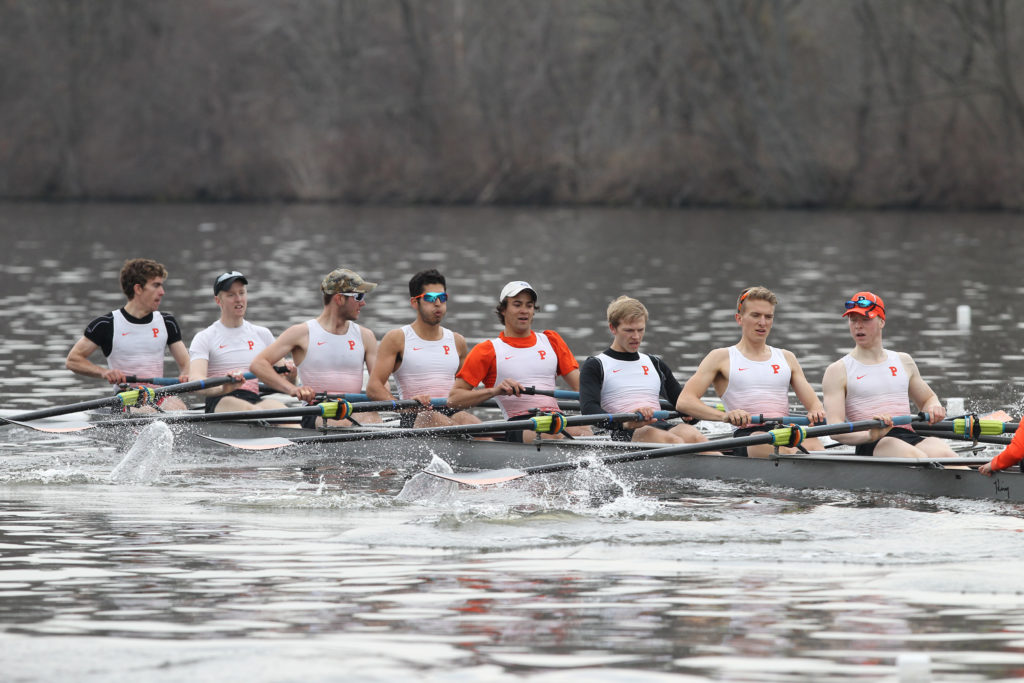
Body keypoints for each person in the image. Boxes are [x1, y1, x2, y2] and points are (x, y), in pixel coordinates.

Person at [675, 286, 826, 457]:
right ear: (739, 319)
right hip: (749, 437)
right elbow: (685, 402)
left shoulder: (787, 357)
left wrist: (816, 411)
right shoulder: (721, 357)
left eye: (768, 317)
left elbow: (814, 404)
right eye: (755, 315)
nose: (762, 322)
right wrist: (724, 416)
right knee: (766, 442)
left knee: (813, 443)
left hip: (786, 431)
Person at [448, 280, 592, 442]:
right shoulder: (487, 350)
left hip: (555, 419)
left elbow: (583, 389)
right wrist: (495, 391)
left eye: (529, 305)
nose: (524, 310)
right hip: (520, 423)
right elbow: (454, 399)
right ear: (503, 309)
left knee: (584, 430)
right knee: (550, 434)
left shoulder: (551, 341)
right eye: (517, 305)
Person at [821, 290, 954, 458]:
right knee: (917, 457)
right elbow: (835, 430)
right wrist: (870, 435)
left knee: (945, 452)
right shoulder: (837, 371)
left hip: (908, 436)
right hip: (872, 443)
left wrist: (933, 407)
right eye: (853, 320)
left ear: (882, 321)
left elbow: (928, 399)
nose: (858, 326)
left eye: (865, 319)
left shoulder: (903, 361)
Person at [250, 267, 380, 427]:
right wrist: (292, 389)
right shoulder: (301, 333)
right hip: (318, 411)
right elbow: (258, 364)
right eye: (358, 296)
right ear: (339, 299)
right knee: (352, 424)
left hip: (355, 408)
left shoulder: (366, 336)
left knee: (372, 419)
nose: (363, 303)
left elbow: (380, 382)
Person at [580, 296, 710, 445]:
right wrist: (625, 422)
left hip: (659, 426)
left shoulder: (655, 363)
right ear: (612, 328)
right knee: (672, 440)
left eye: (640, 330)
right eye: (628, 330)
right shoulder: (596, 365)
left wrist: (691, 415)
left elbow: (683, 402)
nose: (636, 337)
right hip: (622, 432)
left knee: (696, 437)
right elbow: (589, 410)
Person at [65, 257, 190, 410]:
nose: (162, 292)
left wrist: (186, 375)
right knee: (149, 411)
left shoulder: (167, 322)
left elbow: (186, 364)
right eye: (156, 286)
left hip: (159, 395)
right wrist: (105, 373)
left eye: (161, 286)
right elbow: (73, 360)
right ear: (138, 289)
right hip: (127, 397)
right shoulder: (106, 324)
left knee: (179, 410)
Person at [366, 269, 480, 428]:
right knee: (432, 417)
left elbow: (465, 391)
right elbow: (373, 388)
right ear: (414, 302)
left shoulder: (457, 341)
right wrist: (403, 406)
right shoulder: (397, 339)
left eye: (442, 297)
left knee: (471, 422)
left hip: (450, 412)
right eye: (430, 298)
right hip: (414, 416)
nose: (438, 303)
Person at [189, 271, 294, 413]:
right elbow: (195, 380)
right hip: (221, 400)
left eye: (242, 293)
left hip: (254, 399)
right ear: (218, 301)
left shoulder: (262, 334)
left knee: (285, 413)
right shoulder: (204, 337)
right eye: (231, 295)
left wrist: (292, 372)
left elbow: (286, 381)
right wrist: (223, 386)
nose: (238, 299)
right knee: (255, 412)